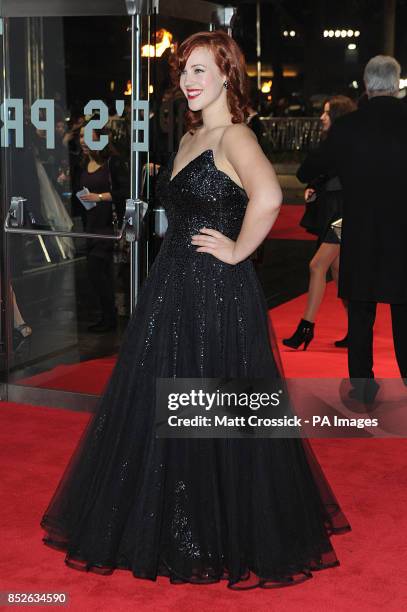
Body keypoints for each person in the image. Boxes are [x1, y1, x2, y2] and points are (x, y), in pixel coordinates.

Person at [40, 30, 350, 589]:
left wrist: (236, 250)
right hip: (173, 289)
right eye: (184, 70)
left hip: (216, 293)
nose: (187, 80)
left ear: (228, 75)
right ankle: (175, 527)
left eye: (200, 70)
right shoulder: (191, 136)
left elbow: (270, 197)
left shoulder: (234, 135)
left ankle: (218, 532)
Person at [288, 55, 407, 402]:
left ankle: (364, 386)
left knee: (360, 314)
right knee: (404, 313)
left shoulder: (348, 127)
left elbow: (307, 170)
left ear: (367, 85)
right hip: (403, 233)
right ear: (397, 83)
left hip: (361, 232)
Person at [283, 96, 356, 351]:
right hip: (339, 214)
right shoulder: (342, 144)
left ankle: (306, 328)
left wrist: (314, 182)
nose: (322, 117)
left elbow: (312, 171)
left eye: (326, 113)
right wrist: (315, 186)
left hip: (345, 217)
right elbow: (327, 173)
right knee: (338, 272)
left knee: (317, 265)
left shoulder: (343, 144)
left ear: (337, 116)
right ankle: (357, 330)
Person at [71, 119, 129, 332]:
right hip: (91, 225)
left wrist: (101, 197)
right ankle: (108, 315)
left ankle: (110, 317)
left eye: (88, 135)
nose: (83, 140)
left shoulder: (112, 163)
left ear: (100, 138)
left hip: (108, 225)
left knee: (97, 271)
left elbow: (125, 191)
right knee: (97, 274)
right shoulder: (81, 163)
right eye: (80, 136)